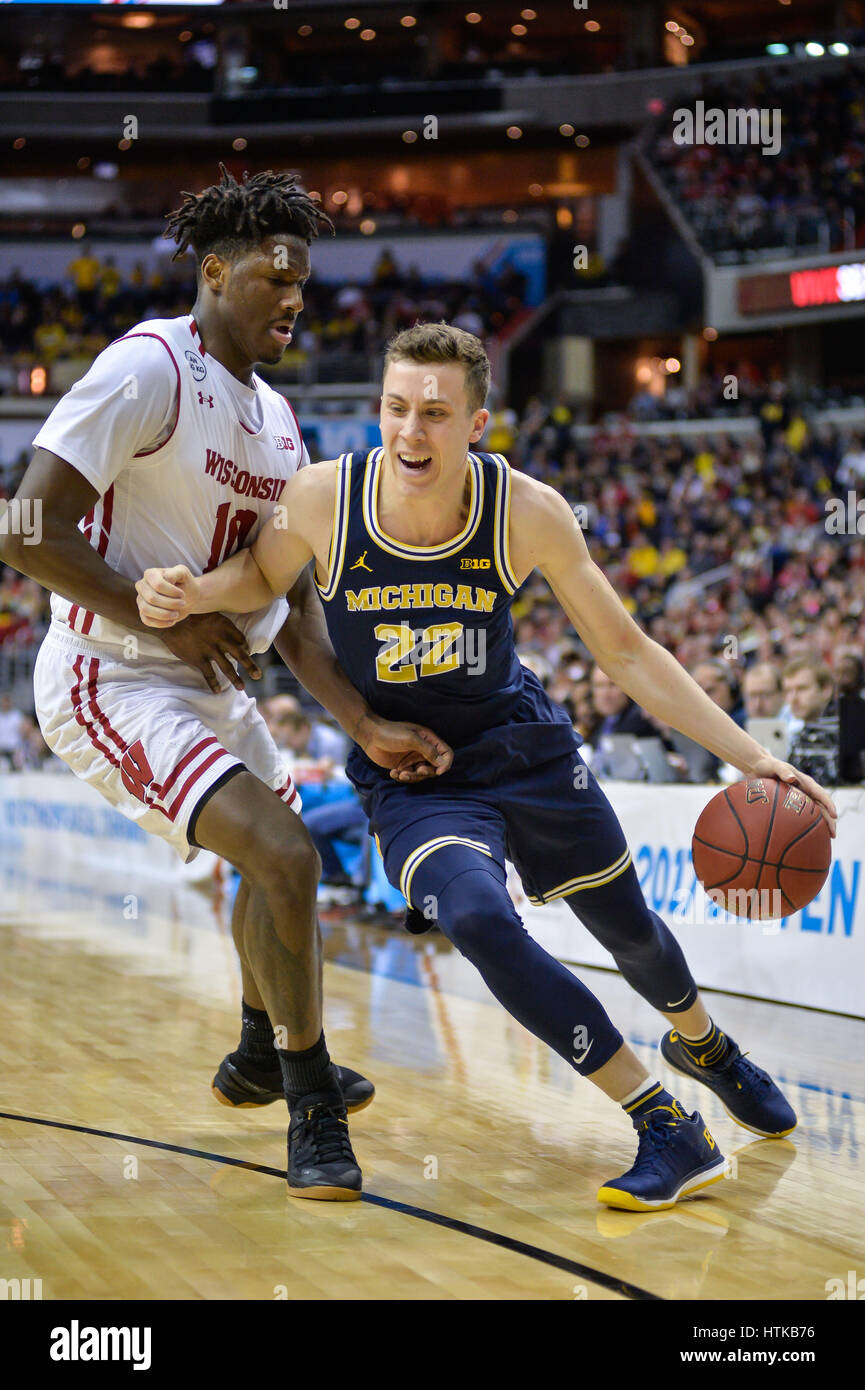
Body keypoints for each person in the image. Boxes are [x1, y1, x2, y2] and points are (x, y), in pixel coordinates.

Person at [136, 321, 837, 1213]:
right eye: (394, 408)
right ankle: (666, 1124)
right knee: (477, 917)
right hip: (414, 774)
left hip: (527, 752)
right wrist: (191, 592)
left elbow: (624, 651)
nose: (409, 432)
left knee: (630, 936)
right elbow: (255, 578)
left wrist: (752, 756)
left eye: (434, 413)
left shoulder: (525, 510)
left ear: (477, 423)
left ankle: (702, 1043)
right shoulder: (320, 500)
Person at [0, 167, 457, 1203]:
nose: (295, 298)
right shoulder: (149, 366)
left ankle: (260, 1045)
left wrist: (362, 718)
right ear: (215, 270)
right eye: (274, 277)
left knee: (278, 866)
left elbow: (292, 607)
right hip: (109, 675)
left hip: (209, 682)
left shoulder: (283, 424)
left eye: (303, 282)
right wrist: (162, 611)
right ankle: (310, 1103)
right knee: (285, 852)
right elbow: (22, 527)